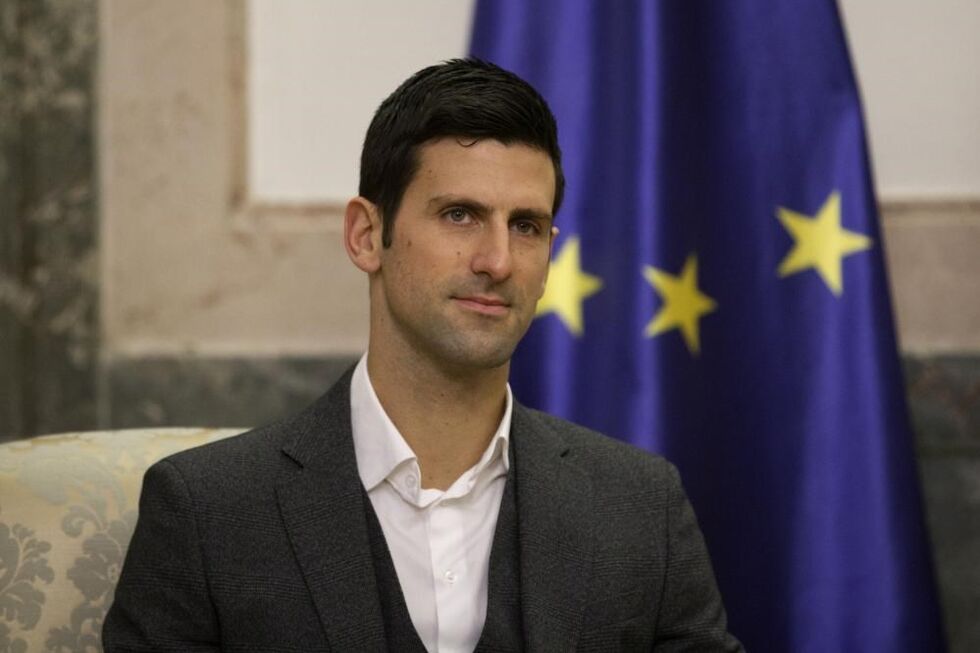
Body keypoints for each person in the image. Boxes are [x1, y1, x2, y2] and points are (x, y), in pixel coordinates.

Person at [103, 59, 742, 652]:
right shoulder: (207, 512)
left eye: (525, 226)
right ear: (366, 235)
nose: (498, 261)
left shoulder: (642, 508)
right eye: (460, 215)